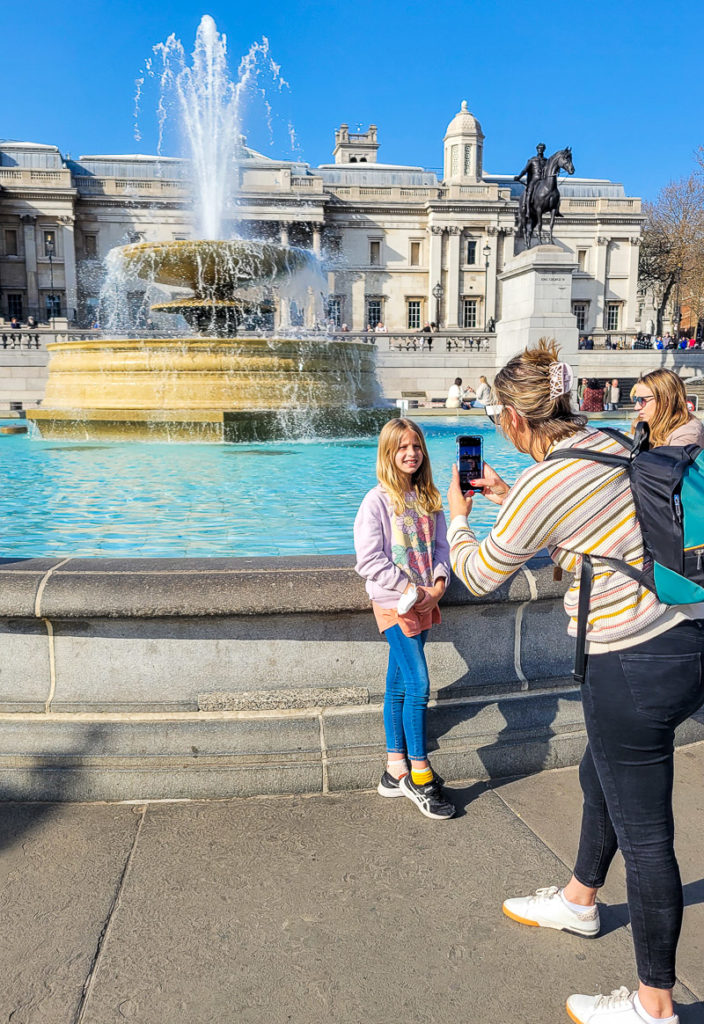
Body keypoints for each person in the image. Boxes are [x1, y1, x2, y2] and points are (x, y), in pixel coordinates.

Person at [447, 339, 704, 1024]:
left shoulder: (544, 483)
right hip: (686, 636)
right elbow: (601, 538)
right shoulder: (615, 445)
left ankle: (654, 1005)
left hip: (631, 658)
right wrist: (516, 497)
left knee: (647, 835)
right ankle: (580, 899)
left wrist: (460, 518)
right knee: (601, 775)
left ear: (512, 418)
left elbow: (477, 575)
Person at [354, 418, 454, 820]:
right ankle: (420, 772)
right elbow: (369, 559)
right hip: (395, 604)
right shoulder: (376, 501)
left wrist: (440, 582)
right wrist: (412, 590)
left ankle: (394, 769)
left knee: (397, 685)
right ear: (387, 454)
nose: (410, 453)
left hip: (425, 601)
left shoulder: (428, 498)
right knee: (419, 684)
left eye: (415, 446)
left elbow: (443, 546)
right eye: (401, 448)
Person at [633, 369, 704, 447]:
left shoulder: (687, 434)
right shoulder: (647, 424)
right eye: (635, 399)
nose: (636, 407)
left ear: (666, 400)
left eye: (642, 400)